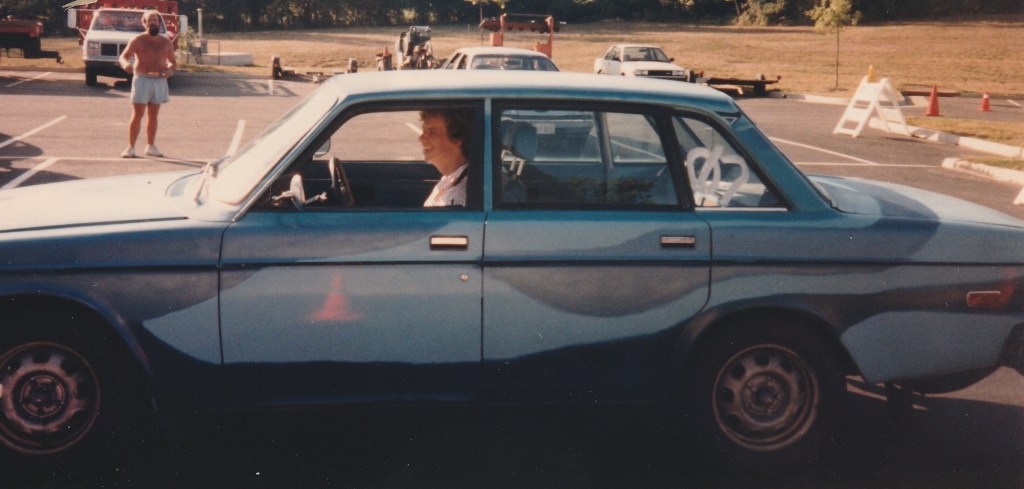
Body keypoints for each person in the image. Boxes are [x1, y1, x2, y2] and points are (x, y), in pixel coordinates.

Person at [118, 10, 175, 158]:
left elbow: (173, 63)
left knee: (153, 115)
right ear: (144, 23)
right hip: (142, 79)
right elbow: (123, 57)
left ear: (159, 23)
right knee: (137, 114)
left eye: (155, 20)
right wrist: (126, 65)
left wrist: (169, 71)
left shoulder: (166, 41)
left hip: (159, 81)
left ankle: (150, 146)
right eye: (149, 20)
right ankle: (130, 147)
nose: (152, 23)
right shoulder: (138, 40)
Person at [419, 109, 473, 207]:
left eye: (431, 131)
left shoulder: (457, 198)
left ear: (457, 139)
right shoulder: (451, 178)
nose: (421, 138)